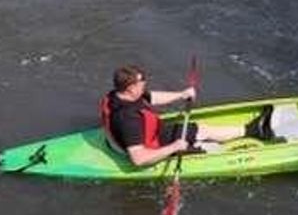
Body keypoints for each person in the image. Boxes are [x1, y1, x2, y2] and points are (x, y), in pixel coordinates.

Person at [99, 65, 274, 167]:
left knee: (194, 129)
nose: (145, 85)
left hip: (144, 138)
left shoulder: (118, 94)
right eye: (141, 83)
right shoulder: (128, 120)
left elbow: (151, 97)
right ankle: (252, 131)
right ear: (130, 88)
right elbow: (138, 159)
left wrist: (181, 94)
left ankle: (242, 131)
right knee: (200, 132)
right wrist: (174, 147)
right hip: (149, 149)